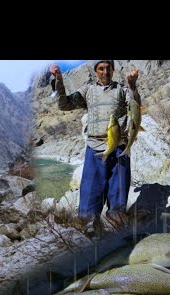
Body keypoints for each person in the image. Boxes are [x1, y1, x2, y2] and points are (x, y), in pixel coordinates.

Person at [50, 60, 141, 235]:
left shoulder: (122, 90)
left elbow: (136, 107)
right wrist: (59, 80)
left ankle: (116, 224)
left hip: (120, 147)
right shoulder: (88, 91)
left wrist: (132, 86)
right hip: (95, 146)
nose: (105, 72)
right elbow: (64, 104)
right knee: (91, 189)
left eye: (108, 68)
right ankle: (89, 227)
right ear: (95, 71)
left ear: (113, 70)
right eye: (101, 68)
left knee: (118, 189)